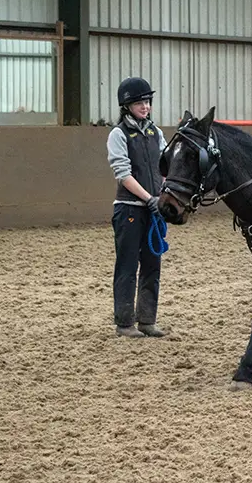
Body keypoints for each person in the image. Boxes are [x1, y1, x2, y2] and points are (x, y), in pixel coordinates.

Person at [106, 77, 168, 338]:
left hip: (152, 210)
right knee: (128, 266)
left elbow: (165, 167)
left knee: (152, 266)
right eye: (139, 103)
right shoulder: (118, 134)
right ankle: (124, 323)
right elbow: (123, 174)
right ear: (126, 106)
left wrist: (161, 196)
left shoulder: (156, 133)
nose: (145, 107)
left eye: (147, 102)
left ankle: (147, 320)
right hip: (129, 209)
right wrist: (148, 198)